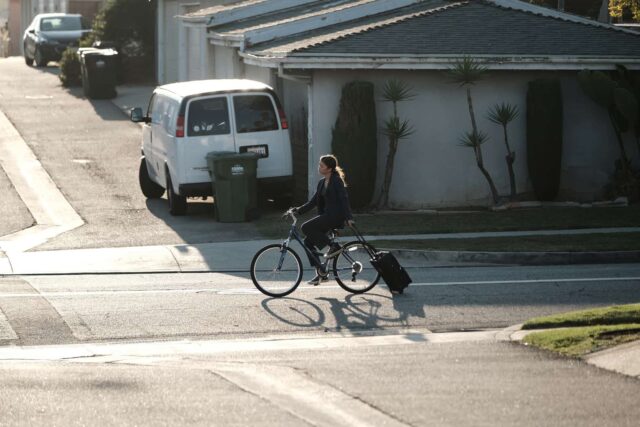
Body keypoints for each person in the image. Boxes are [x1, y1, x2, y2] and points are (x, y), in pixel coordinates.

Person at [292, 154, 355, 285]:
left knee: (305, 227)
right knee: (308, 243)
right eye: (319, 165)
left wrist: (349, 218)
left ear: (330, 168)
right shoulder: (322, 183)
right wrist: (297, 210)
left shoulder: (337, 181)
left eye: (322, 165)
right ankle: (321, 272)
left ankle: (334, 246)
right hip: (327, 216)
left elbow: (344, 199)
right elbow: (313, 202)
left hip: (335, 216)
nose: (319, 167)